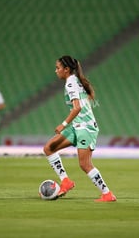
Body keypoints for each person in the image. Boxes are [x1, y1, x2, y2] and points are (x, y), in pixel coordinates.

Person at [43, 55, 116, 202]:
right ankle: (65, 181)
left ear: (66, 69)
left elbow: (76, 108)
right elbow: (87, 98)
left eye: (58, 68)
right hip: (77, 126)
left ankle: (107, 194)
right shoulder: (75, 81)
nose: (56, 71)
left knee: (84, 164)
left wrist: (63, 124)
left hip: (86, 128)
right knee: (49, 148)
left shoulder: (70, 83)